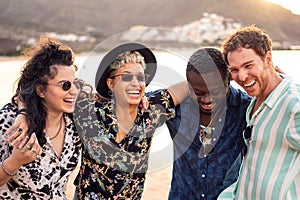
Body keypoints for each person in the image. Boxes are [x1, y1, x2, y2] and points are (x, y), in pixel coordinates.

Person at [72, 43, 188, 199]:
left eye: (140, 77)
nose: (135, 83)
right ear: (110, 84)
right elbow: (61, 89)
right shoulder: (90, 113)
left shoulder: (149, 114)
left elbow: (191, 83)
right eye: (126, 77)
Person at [219, 25, 300, 199]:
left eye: (249, 65)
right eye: (234, 70)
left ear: (268, 59)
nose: (242, 76)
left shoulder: (293, 104)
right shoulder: (255, 101)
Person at [163, 47, 252, 199]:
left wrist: (280, 82)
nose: (207, 99)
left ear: (228, 79)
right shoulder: (175, 108)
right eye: (198, 92)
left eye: (215, 91)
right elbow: (134, 105)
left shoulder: (245, 108)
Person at [0, 37, 82, 199]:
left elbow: (116, 99)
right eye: (65, 85)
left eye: (76, 83)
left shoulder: (76, 123)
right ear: (40, 90)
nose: (73, 91)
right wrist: (14, 162)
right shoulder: (9, 121)